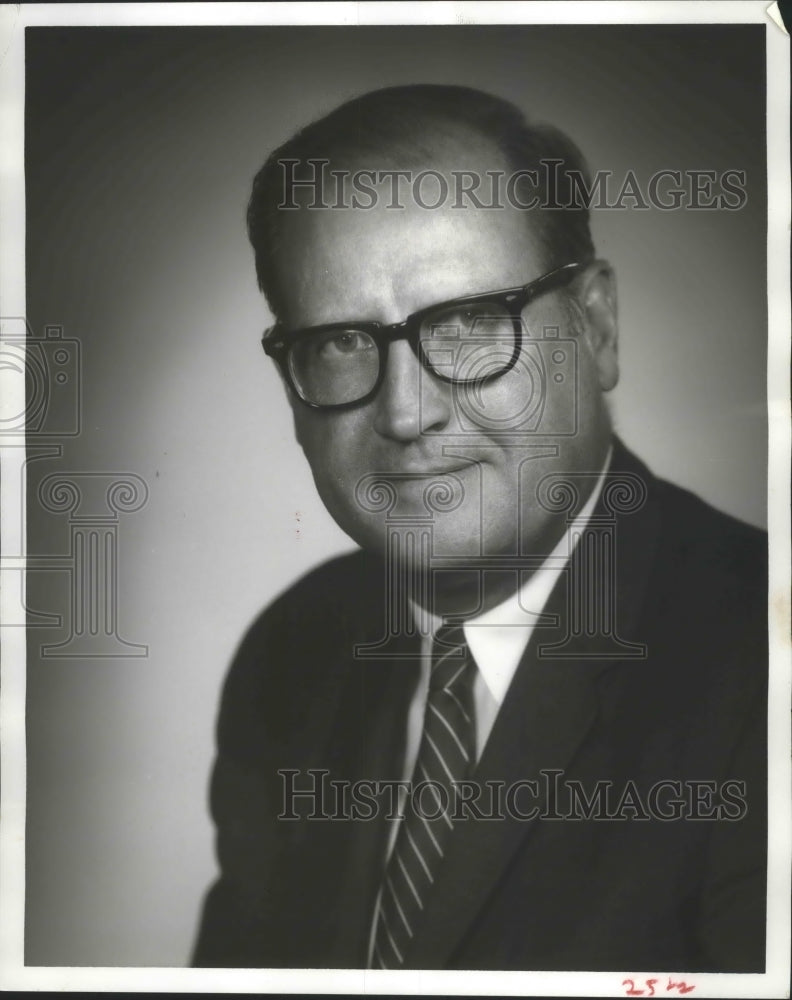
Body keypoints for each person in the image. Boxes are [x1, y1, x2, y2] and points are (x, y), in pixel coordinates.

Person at [192, 85, 767, 971]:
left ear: (596, 326)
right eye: (343, 341)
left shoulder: (765, 668)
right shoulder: (290, 655)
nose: (408, 412)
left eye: (467, 324)